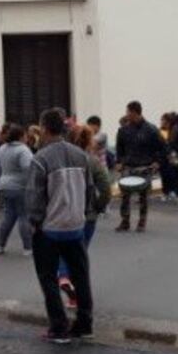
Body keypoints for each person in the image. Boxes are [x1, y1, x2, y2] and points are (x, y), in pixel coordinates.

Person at [26, 107, 96, 344]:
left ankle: (59, 326)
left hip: (50, 228)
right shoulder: (81, 155)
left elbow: (35, 197)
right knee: (81, 275)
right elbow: (89, 190)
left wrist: (35, 223)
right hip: (75, 225)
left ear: (44, 128)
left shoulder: (41, 159)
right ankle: (85, 323)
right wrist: (84, 214)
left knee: (48, 277)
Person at [58, 124, 112, 309]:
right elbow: (105, 187)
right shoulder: (92, 161)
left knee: (64, 248)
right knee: (80, 253)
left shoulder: (61, 160)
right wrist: (98, 206)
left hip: (64, 212)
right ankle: (77, 294)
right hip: (87, 214)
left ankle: (64, 277)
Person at [114, 101, 166, 233]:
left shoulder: (151, 130)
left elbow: (162, 148)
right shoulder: (123, 130)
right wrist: (119, 162)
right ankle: (125, 221)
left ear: (134, 112)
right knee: (125, 195)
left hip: (145, 166)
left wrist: (157, 162)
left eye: (128, 112)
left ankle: (142, 222)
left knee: (143, 196)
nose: (126, 115)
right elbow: (119, 149)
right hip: (128, 166)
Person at [0, 123, 34, 256]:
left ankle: (0, 245)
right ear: (21, 136)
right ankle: (28, 247)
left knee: (8, 216)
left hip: (4, 185)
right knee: (24, 216)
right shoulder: (23, 149)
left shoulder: (3, 148)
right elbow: (28, 168)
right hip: (20, 186)